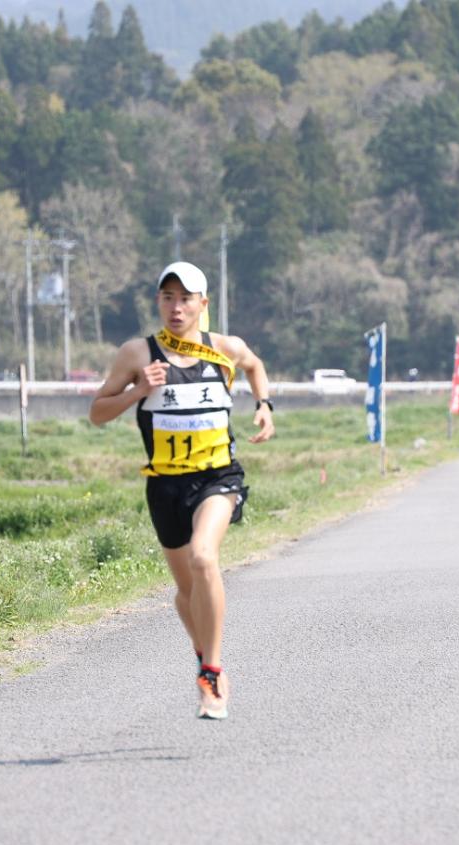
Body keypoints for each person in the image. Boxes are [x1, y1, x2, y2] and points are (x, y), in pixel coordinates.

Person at [89, 261, 275, 720]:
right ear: (159, 302)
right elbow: (96, 412)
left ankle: (211, 675)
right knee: (186, 591)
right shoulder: (138, 354)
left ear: (202, 304)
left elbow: (256, 366)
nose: (176, 307)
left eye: (186, 298)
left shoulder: (225, 349)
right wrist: (136, 392)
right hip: (164, 485)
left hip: (217, 477)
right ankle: (203, 652)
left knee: (204, 558)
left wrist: (265, 405)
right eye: (168, 298)